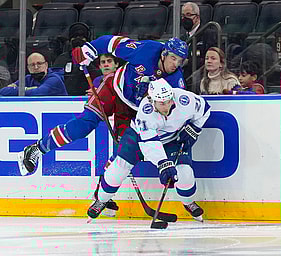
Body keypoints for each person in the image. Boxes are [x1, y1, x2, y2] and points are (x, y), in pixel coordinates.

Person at [18, 36, 189, 216]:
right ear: (164, 54)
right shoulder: (146, 49)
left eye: (179, 61)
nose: (175, 64)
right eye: (173, 58)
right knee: (84, 125)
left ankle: (101, 194)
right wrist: (88, 50)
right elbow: (112, 43)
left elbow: (176, 109)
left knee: (123, 152)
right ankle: (36, 149)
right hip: (114, 90)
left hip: (138, 111)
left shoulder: (176, 81)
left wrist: (185, 125)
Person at [87, 78, 211, 222]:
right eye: (162, 103)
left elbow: (205, 109)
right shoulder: (145, 111)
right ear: (152, 101)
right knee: (118, 169)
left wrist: (195, 128)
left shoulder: (185, 99)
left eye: (169, 101)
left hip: (172, 139)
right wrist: (163, 164)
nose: (166, 106)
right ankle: (102, 199)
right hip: (138, 138)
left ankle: (188, 202)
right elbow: (149, 143)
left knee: (185, 174)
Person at [53, 22, 100, 96]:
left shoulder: (95, 58)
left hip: (88, 97)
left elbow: (99, 77)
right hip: (66, 98)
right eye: (75, 37)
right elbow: (55, 80)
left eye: (81, 37)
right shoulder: (62, 58)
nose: (78, 40)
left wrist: (86, 62)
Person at [180, 2, 217, 91]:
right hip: (184, 80)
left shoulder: (209, 34)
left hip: (200, 81)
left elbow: (210, 59)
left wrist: (188, 61)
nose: (185, 18)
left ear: (197, 17)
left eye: (188, 15)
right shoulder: (182, 38)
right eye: (183, 15)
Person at [0, 52, 67, 96]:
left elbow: (39, 92)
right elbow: (4, 91)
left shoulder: (54, 79)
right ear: (28, 68)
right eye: (32, 65)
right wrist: (27, 89)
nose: (36, 67)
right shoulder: (28, 79)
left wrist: (18, 89)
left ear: (46, 65)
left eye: (39, 63)